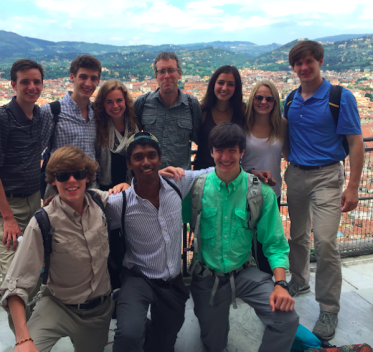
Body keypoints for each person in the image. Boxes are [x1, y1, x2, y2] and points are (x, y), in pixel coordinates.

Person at [96, 132, 213, 352]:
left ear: (160, 159)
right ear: (129, 164)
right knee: (128, 336)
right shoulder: (119, 202)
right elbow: (87, 206)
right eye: (138, 157)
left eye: (151, 156)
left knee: (163, 343)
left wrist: (252, 175)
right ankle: (129, 308)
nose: (146, 162)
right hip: (137, 276)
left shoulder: (178, 183)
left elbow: (212, 173)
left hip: (172, 281)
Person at [187, 122, 298, 352]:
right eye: (219, 150)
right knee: (214, 344)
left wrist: (280, 284)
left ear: (242, 152)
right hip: (208, 275)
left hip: (244, 272)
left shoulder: (259, 192)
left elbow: (275, 243)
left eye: (232, 151)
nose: (225, 157)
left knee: (286, 320)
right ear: (210, 152)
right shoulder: (196, 189)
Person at [284, 40, 364, 340]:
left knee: (327, 242)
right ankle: (300, 280)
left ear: (319, 62)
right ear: (293, 68)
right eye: (298, 64)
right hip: (296, 175)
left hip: (328, 176)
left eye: (309, 62)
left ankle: (329, 307)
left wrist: (353, 186)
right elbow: (284, 135)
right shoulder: (290, 99)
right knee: (298, 235)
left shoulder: (339, 97)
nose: (304, 68)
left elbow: (356, 143)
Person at [0, 146, 113, 352]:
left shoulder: (102, 203)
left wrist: (157, 174)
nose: (71, 181)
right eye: (62, 176)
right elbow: (15, 285)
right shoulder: (42, 221)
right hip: (57, 304)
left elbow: (138, 195)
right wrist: (23, 339)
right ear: (53, 180)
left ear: (87, 177)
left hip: (97, 311)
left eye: (78, 174)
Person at [0, 59, 46, 329]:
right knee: (14, 277)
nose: (32, 87)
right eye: (25, 82)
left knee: (36, 270)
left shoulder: (41, 116)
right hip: (7, 207)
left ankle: (35, 336)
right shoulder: (1, 118)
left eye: (36, 82)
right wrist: (7, 217)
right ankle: (24, 338)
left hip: (34, 201)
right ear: (13, 85)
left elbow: (41, 159)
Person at [40, 55, 102, 198]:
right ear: (72, 77)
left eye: (93, 78)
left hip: (91, 187)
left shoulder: (97, 113)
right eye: (83, 77)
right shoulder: (52, 111)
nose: (88, 83)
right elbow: (37, 149)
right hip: (61, 188)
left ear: (98, 81)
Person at [134, 51, 201, 170]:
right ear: (155, 76)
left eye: (171, 70)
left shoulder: (192, 105)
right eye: (162, 71)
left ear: (179, 73)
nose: (166, 76)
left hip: (180, 181)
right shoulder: (142, 103)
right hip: (150, 177)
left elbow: (200, 140)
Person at [193, 65, 246, 170]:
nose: (224, 88)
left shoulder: (242, 111)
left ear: (236, 88)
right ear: (213, 84)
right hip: (203, 174)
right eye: (221, 83)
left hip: (230, 174)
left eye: (230, 84)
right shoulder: (202, 111)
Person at [243, 80, 287, 205]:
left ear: (275, 102)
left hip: (272, 192)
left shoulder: (282, 125)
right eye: (259, 98)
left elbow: (289, 154)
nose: (263, 102)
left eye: (269, 99)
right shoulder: (242, 125)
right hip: (245, 191)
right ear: (252, 99)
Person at [94, 79, 140, 191]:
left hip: (132, 187)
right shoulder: (97, 126)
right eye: (109, 102)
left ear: (126, 101)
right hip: (105, 190)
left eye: (119, 100)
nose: (115, 106)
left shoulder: (134, 124)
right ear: (102, 104)